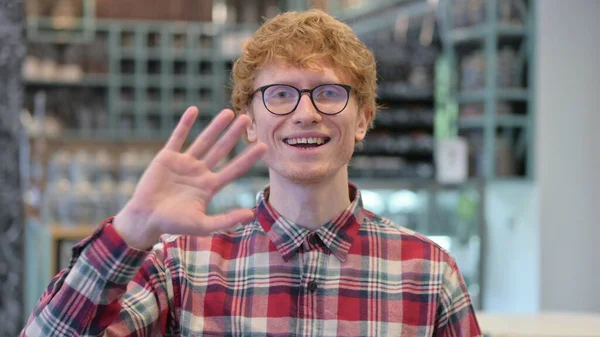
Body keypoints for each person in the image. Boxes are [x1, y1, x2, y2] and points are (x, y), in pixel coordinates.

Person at [21, 9, 481, 337]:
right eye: (280, 95)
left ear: (362, 118)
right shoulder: (182, 268)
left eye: (328, 92)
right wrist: (130, 232)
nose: (305, 113)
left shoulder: (426, 272)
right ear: (250, 122)